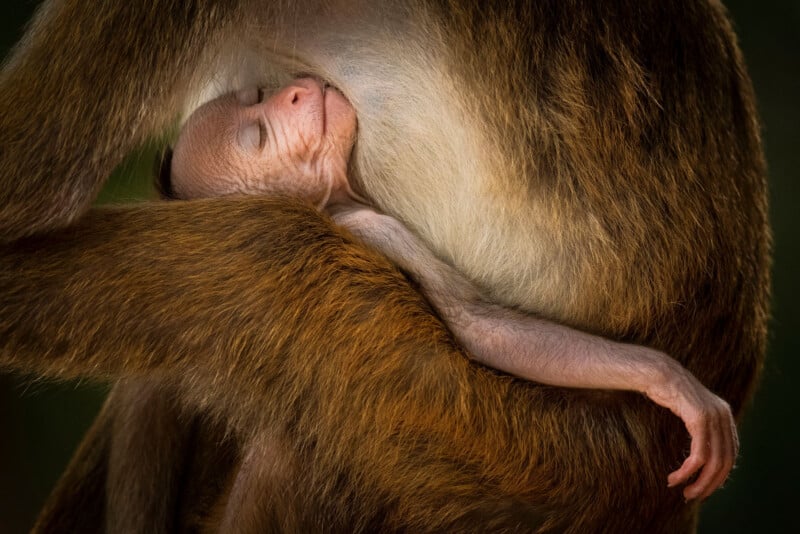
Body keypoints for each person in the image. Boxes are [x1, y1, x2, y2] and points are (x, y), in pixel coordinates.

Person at [164, 77, 737, 492]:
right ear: (276, 219)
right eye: (259, 137)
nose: (286, 95)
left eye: (257, 94)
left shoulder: (355, 195)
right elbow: (481, 329)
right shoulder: (360, 234)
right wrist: (657, 374)